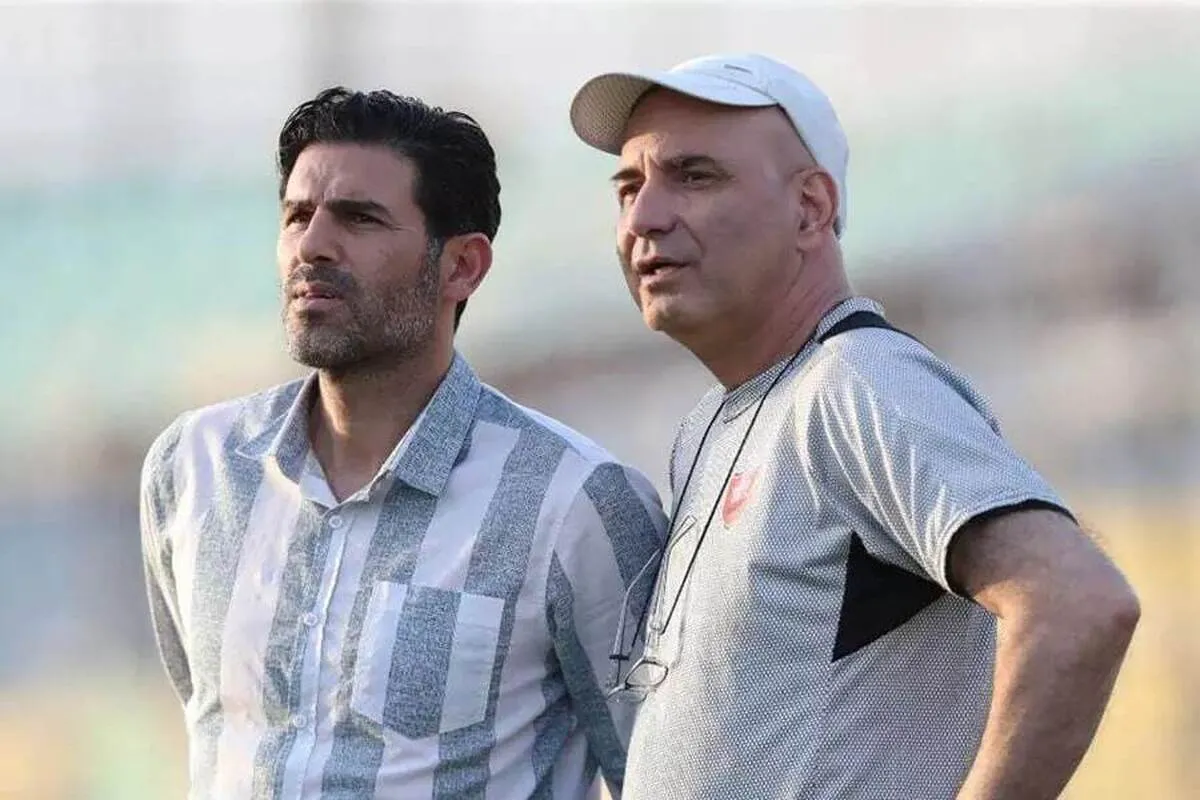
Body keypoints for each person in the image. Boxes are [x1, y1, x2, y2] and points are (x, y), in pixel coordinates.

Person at [568, 53, 1141, 799]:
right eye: (628, 187)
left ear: (810, 208)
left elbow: (1077, 601)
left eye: (694, 176)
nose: (644, 217)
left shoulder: (857, 381)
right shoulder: (719, 420)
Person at [139, 87, 666, 800]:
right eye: (297, 216)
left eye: (359, 218)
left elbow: (659, 772)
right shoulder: (194, 468)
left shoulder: (575, 503)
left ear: (462, 266)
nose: (313, 246)